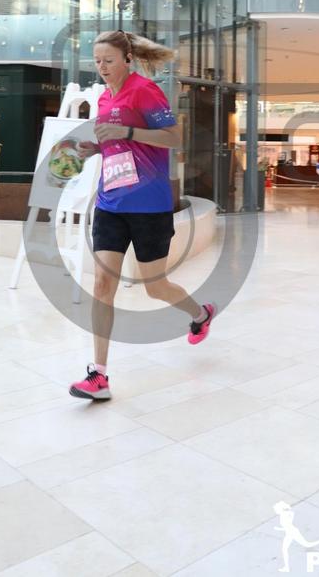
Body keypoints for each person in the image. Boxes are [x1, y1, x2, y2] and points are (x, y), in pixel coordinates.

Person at [69, 29, 217, 401]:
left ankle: (200, 314)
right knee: (103, 285)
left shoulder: (145, 91)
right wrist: (96, 148)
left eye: (109, 60)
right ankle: (99, 375)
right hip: (110, 203)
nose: (102, 67)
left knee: (155, 286)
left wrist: (128, 130)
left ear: (127, 59)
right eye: (97, 61)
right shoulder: (105, 97)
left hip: (149, 206)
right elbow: (117, 144)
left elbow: (174, 137)